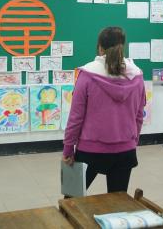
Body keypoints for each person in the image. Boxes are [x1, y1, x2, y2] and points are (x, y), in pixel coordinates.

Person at [62, 27, 146, 193]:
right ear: (122, 46)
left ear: (100, 47)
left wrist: (68, 148)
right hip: (126, 151)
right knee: (117, 202)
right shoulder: (137, 75)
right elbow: (139, 116)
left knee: (71, 198)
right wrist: (132, 141)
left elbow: (76, 118)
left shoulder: (87, 74)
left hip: (89, 150)